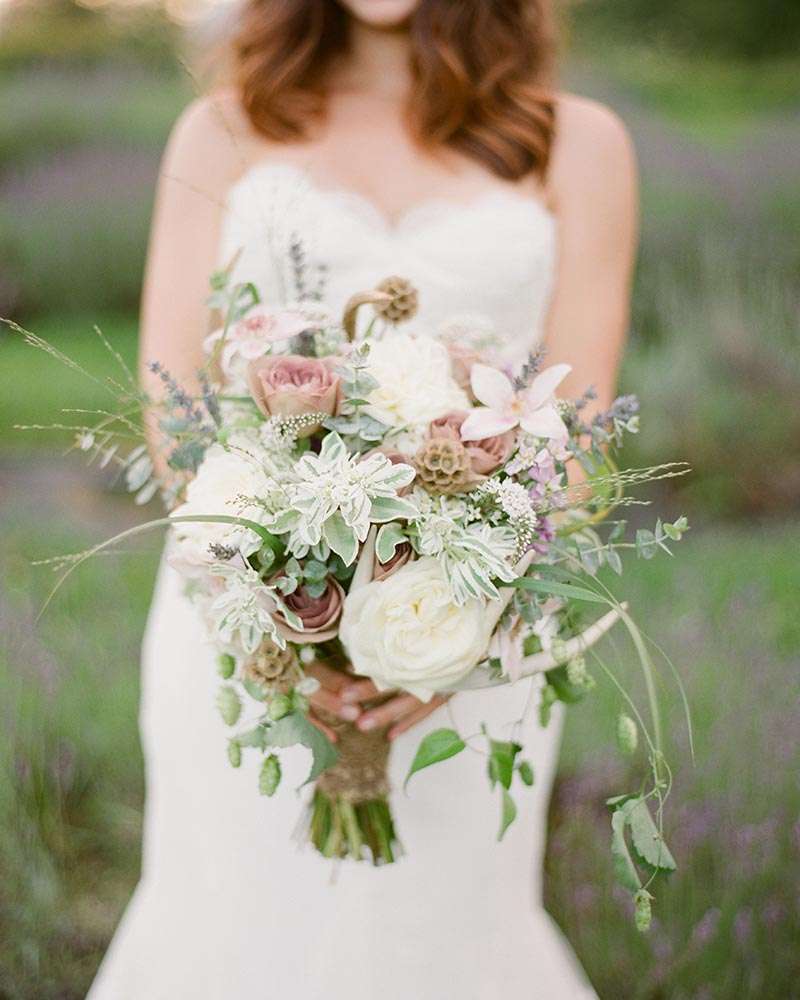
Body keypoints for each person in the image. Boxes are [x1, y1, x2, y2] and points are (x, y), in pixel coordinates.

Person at [88, 1, 637, 996]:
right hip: (236, 623)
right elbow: (172, 408)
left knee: (442, 932)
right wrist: (269, 624)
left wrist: (457, 635)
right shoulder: (220, 129)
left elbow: (580, 433)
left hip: (477, 638)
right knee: (235, 925)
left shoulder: (579, 145)